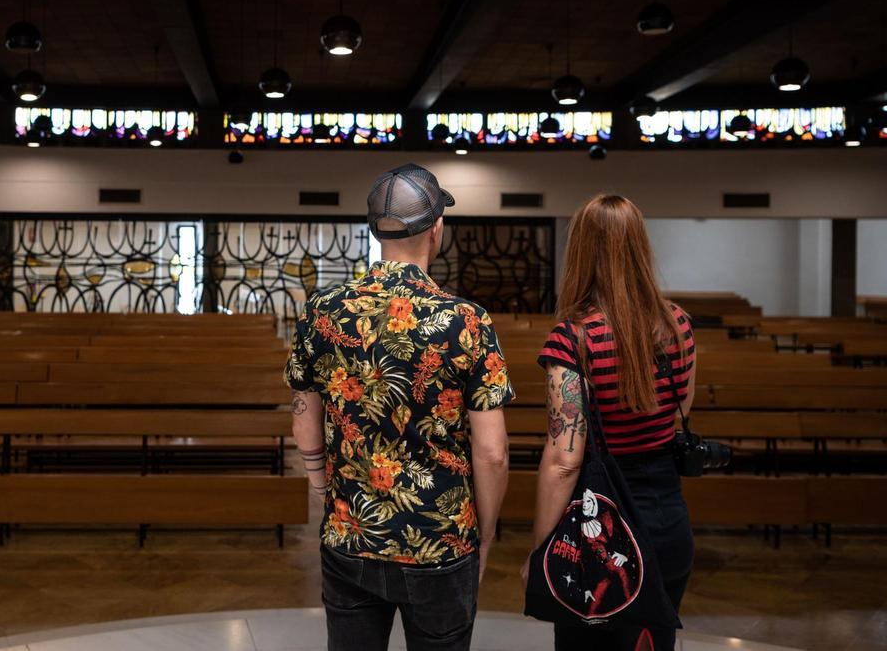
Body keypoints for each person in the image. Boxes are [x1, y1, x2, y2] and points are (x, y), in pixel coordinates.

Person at [285, 163, 514, 651]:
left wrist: (325, 490)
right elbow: (492, 453)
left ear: (376, 230)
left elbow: (304, 420)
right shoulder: (467, 321)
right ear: (436, 229)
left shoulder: (324, 310)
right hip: (441, 540)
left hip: (351, 532)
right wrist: (486, 533)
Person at [524, 194, 697, 651]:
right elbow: (681, 407)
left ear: (580, 251)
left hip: (600, 529)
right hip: (667, 518)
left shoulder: (573, 339)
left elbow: (563, 461)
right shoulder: (678, 325)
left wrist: (541, 551)